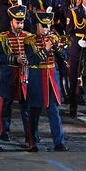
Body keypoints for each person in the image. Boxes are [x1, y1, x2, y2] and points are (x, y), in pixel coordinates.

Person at [24, 11, 67, 151]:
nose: (47, 29)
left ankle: (59, 142)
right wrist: (46, 49)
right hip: (37, 77)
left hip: (51, 77)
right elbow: (33, 60)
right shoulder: (29, 40)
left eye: (48, 25)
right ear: (37, 25)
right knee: (34, 112)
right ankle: (32, 141)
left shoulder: (54, 37)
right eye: (44, 26)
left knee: (54, 111)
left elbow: (62, 58)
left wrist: (59, 49)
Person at [0, 4, 31, 145]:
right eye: (17, 22)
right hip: (9, 74)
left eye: (21, 22)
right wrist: (15, 59)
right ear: (11, 22)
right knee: (6, 105)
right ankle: (4, 132)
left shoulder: (29, 37)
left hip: (24, 75)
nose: (20, 25)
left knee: (26, 107)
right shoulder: (3, 37)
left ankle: (29, 134)